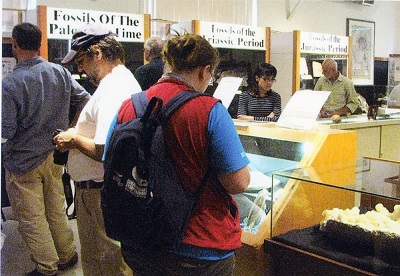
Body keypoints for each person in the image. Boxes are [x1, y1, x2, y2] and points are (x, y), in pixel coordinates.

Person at [108, 33, 251, 275]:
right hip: (199, 245)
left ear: (168, 64)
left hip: (140, 238)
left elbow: (109, 163)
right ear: (205, 71)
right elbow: (238, 182)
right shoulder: (209, 110)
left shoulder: (129, 106)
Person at [2, 22, 90, 276]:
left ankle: (46, 267)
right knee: (55, 208)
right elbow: (84, 98)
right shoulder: (59, 72)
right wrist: (70, 129)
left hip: (23, 162)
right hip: (54, 154)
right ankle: (66, 255)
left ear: (15, 45)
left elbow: (6, 130)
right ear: (40, 43)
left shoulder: (11, 83)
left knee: (32, 218)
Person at [53, 23, 141, 275]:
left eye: (81, 61)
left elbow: (105, 150)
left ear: (98, 54)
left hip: (98, 193)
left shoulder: (114, 88)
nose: (80, 68)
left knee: (107, 265)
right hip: (101, 191)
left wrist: (72, 139)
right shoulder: (120, 82)